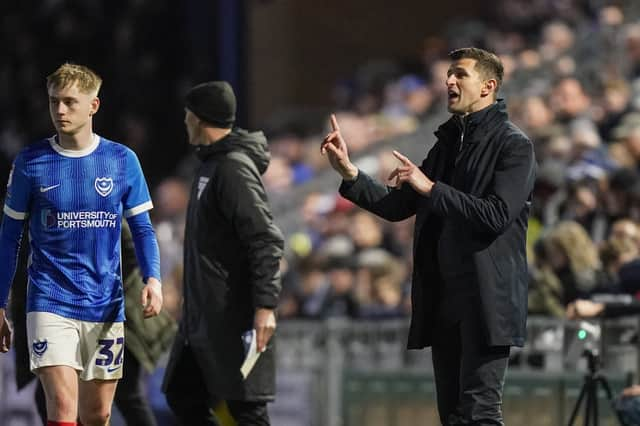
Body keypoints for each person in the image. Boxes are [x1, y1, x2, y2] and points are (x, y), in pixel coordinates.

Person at [321, 47, 536, 425]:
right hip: (445, 297)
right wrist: (350, 173)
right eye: (448, 74)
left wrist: (432, 188)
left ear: (488, 86)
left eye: (459, 75)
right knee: (452, 416)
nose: (449, 81)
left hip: (487, 300)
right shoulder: (448, 144)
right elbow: (396, 206)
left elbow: (496, 215)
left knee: (480, 414)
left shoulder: (513, 145)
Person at [0, 63, 163, 426]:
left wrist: (154, 280)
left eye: (70, 102)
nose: (60, 111)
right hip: (49, 302)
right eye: (54, 102)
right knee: (61, 407)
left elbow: (142, 230)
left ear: (93, 106)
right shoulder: (30, 163)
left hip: (106, 305)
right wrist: (0, 304)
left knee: (98, 413)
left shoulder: (122, 161)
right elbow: (9, 237)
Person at [162, 81, 284, 425]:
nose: (184, 120)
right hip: (204, 316)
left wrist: (265, 307)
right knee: (183, 396)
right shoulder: (209, 166)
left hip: (234, 315)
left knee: (247, 409)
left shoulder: (232, 167)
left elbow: (265, 239)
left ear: (200, 118)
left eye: (188, 114)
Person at [10, 220, 177, 426]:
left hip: (116, 319)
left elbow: (133, 246)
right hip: (61, 317)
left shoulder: (95, 200)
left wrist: (97, 289)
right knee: (57, 399)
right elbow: (19, 276)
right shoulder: (32, 207)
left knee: (123, 398)